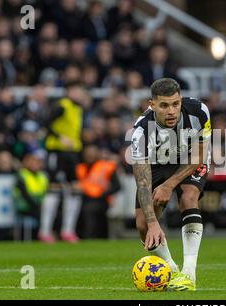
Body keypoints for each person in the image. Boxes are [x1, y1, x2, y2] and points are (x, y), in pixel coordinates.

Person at [130, 78, 211, 291]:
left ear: (181, 101)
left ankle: (188, 273)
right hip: (157, 163)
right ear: (152, 104)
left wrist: (170, 184)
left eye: (175, 104)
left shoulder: (199, 111)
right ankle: (172, 269)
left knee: (188, 197)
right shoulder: (140, 132)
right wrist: (153, 222)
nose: (171, 111)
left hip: (189, 158)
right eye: (164, 105)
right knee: (143, 226)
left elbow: (200, 154)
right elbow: (143, 181)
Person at [41, 81, 87, 243]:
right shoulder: (62, 106)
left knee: (75, 189)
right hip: (57, 151)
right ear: (69, 91)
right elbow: (45, 122)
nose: (80, 93)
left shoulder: (78, 108)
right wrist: (59, 137)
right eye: (77, 90)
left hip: (72, 153)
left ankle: (68, 231)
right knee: (54, 188)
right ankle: (45, 231)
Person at [76, 144, 121, 239]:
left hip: (101, 199)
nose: (90, 155)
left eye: (92, 153)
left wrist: (104, 193)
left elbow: (117, 186)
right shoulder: (80, 168)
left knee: (91, 210)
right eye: (87, 153)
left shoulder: (107, 167)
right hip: (82, 198)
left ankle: (90, 237)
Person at [13, 149, 49, 233]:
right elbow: (24, 194)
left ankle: (48, 233)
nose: (35, 164)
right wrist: (37, 204)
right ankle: (42, 233)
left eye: (37, 162)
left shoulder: (42, 176)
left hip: (39, 203)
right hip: (24, 205)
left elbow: (46, 191)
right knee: (42, 211)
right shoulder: (21, 175)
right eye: (32, 161)